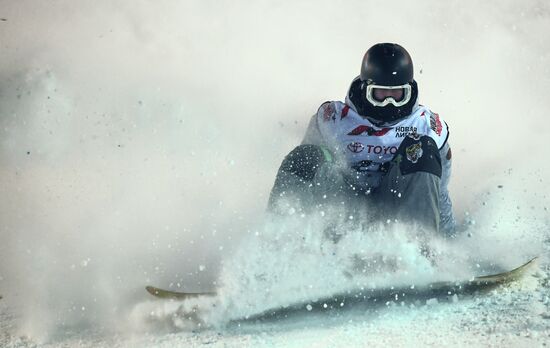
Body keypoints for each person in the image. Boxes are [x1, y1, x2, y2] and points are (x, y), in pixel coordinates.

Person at [269, 43, 456, 236]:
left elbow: (437, 193)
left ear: (409, 91)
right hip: (343, 204)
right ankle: (281, 238)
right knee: (305, 155)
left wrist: (448, 239)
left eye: (397, 94)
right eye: (381, 94)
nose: (389, 102)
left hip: (397, 208)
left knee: (421, 150)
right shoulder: (334, 119)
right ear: (366, 89)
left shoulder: (428, 126)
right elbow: (305, 176)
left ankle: (420, 248)